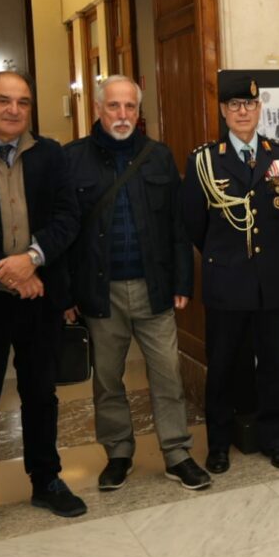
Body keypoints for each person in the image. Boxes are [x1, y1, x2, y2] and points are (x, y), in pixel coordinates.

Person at [64, 75, 210, 491]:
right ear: (97, 108)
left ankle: (177, 452)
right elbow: (64, 232)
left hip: (155, 287)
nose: (123, 115)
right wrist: (67, 295)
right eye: (114, 106)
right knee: (108, 379)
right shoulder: (73, 159)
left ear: (139, 111)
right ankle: (119, 453)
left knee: (168, 375)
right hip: (100, 290)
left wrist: (183, 281)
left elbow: (178, 227)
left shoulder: (159, 157)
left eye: (130, 107)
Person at [0, 71, 86, 536]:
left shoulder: (49, 155)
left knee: (41, 395)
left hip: (40, 293)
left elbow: (69, 216)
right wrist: (8, 271)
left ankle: (46, 480)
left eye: (22, 103)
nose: (13, 110)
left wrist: (31, 260)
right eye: (4, 101)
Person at [182, 74, 279, 472]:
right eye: (234, 106)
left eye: (249, 105)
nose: (242, 112)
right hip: (226, 281)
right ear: (223, 111)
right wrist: (226, 256)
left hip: (270, 280)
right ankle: (218, 443)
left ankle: (275, 438)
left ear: (259, 109)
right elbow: (195, 226)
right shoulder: (204, 161)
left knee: (274, 363)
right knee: (223, 367)